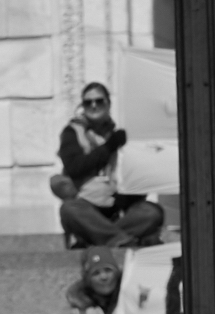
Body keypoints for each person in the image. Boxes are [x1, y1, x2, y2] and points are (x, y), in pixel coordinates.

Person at [52, 83, 165, 247]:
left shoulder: (118, 135)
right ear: (82, 106)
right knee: (69, 210)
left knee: (152, 212)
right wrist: (108, 147)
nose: (93, 105)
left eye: (99, 101)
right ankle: (118, 239)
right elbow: (74, 167)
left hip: (116, 207)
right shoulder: (72, 132)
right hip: (87, 206)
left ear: (108, 104)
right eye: (88, 102)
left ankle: (100, 238)